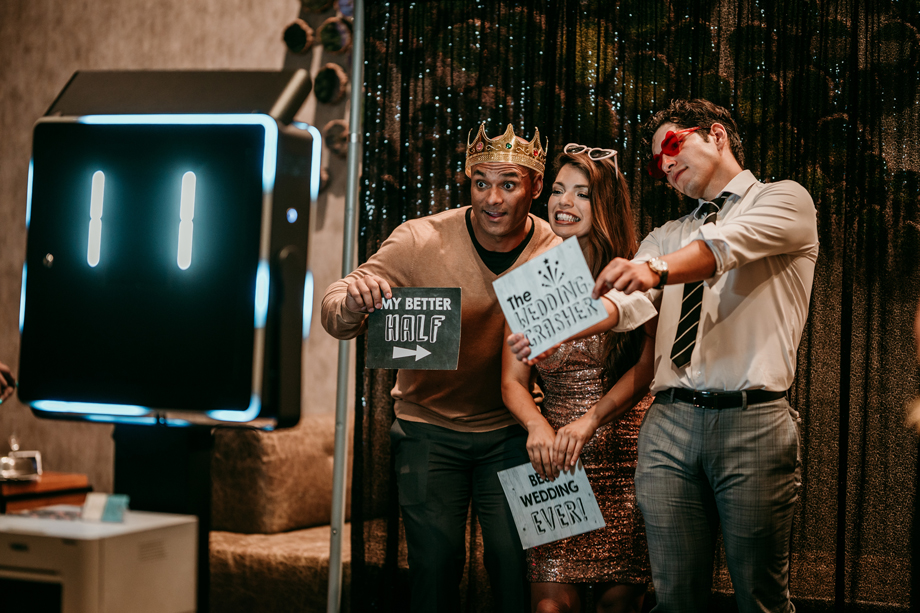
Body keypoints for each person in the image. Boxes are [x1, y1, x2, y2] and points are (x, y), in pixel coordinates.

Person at [510, 99, 819, 613]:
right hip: (666, 425)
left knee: (759, 596)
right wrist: (552, 327)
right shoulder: (665, 236)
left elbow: (725, 246)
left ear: (716, 134)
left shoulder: (783, 199)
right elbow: (626, 305)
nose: (666, 163)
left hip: (751, 421)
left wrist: (652, 269)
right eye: (657, 160)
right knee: (673, 597)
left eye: (672, 146)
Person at [321, 123, 561, 613]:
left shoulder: (554, 250)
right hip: (427, 428)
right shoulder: (421, 239)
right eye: (481, 182)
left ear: (535, 187)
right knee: (435, 565)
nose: (493, 198)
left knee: (516, 566)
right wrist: (354, 301)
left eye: (509, 184)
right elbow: (335, 306)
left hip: (513, 431)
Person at [501, 144, 656, 613]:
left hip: (625, 455)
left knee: (618, 606)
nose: (564, 202)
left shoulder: (634, 272)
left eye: (582, 193)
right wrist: (536, 425)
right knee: (548, 608)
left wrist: (591, 420)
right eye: (558, 190)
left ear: (606, 205)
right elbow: (512, 381)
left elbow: (648, 366)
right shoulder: (531, 280)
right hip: (555, 460)